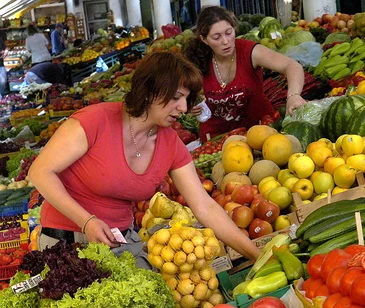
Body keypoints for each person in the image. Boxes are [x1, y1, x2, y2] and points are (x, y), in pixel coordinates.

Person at [28, 52, 261, 269]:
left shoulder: (170, 143)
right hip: (65, 245)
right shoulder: (95, 121)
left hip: (120, 244)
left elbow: (204, 206)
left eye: (186, 99)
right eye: (176, 97)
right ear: (150, 91)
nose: (182, 107)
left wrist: (257, 255)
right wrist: (86, 221)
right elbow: (40, 172)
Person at [183, 6, 306, 142]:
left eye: (229, 32)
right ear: (204, 39)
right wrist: (189, 105)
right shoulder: (197, 60)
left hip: (261, 133)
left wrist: (294, 96)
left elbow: (292, 66)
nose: (225, 41)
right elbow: (180, 92)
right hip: (217, 140)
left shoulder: (250, 52)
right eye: (216, 37)